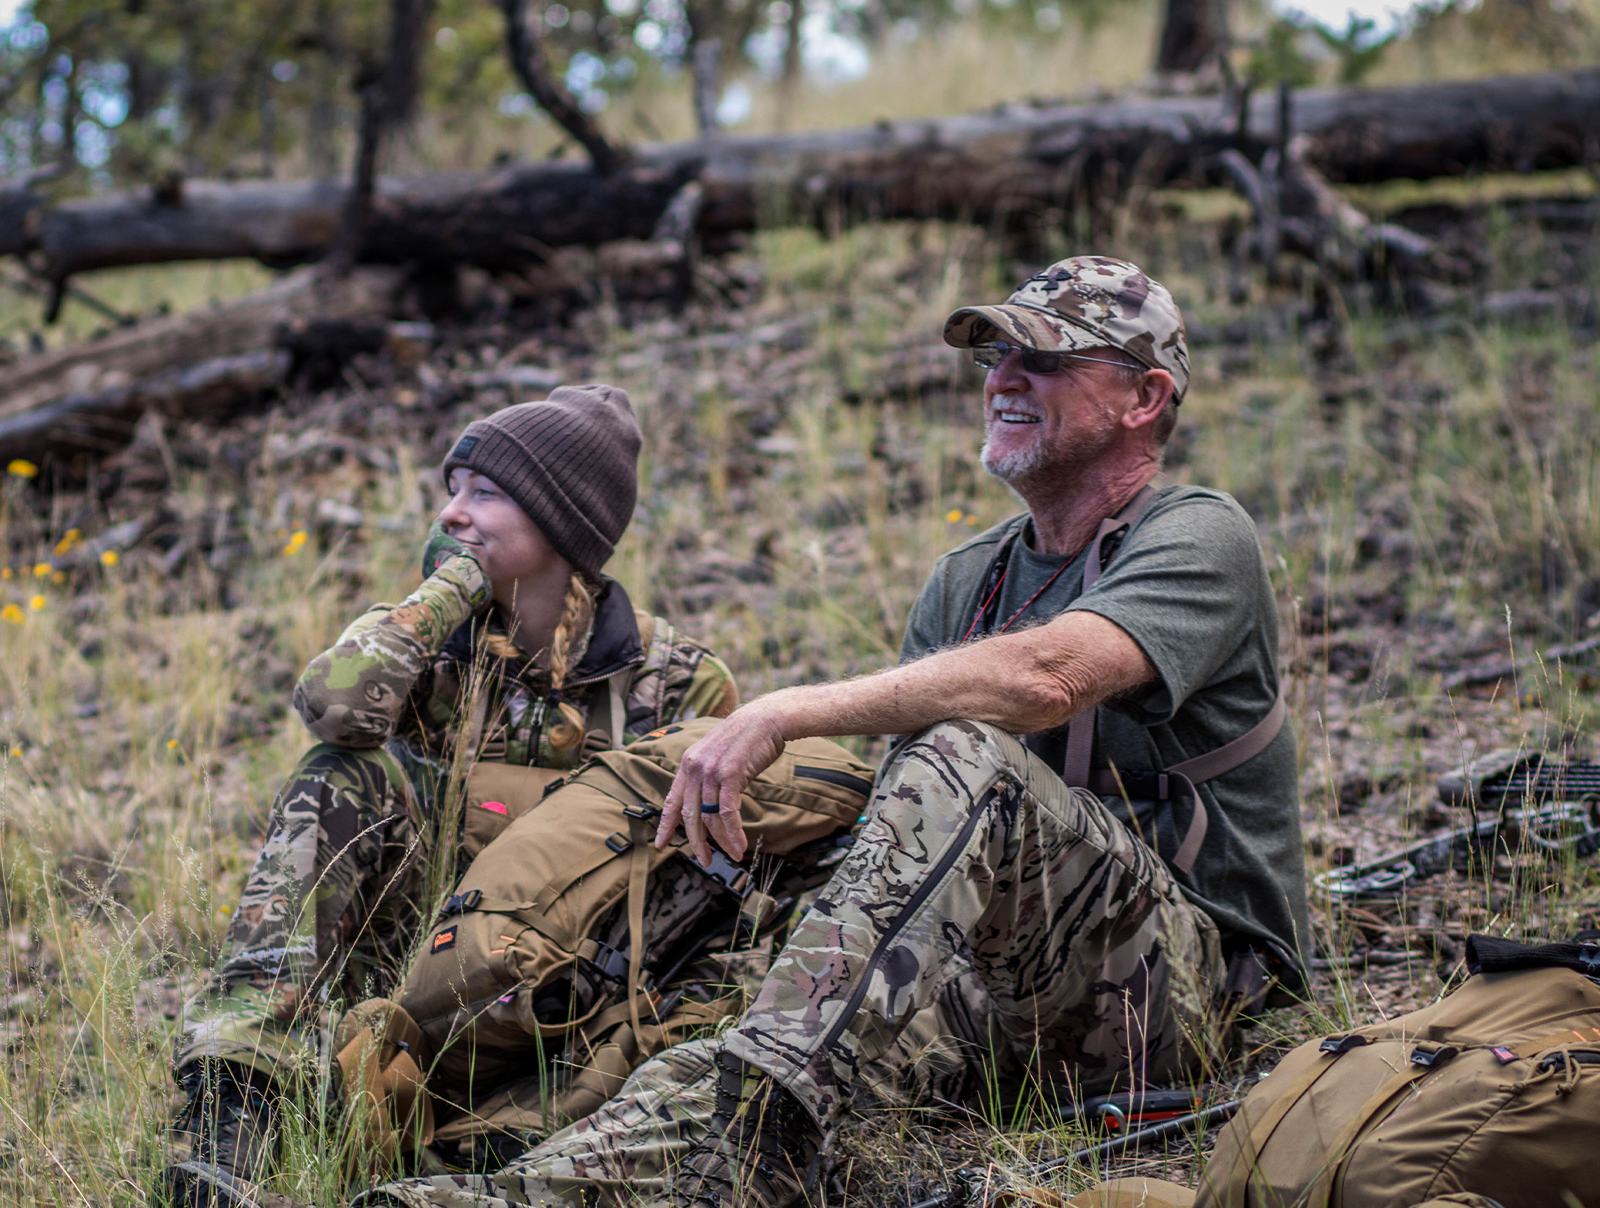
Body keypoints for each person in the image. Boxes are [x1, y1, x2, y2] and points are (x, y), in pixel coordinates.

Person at [357, 255, 1310, 1208]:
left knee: (964, 752)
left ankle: (761, 1124)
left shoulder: (1198, 534)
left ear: (1146, 397)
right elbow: (907, 842)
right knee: (726, 1045)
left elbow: (1047, 678)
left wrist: (781, 710)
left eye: (1047, 361)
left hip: (1181, 992)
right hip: (995, 997)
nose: (1005, 380)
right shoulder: (967, 578)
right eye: (995, 358)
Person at [162, 386, 740, 1207]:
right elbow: (332, 703)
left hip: (564, 993)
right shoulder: (421, 646)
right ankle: (238, 1111)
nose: (453, 512)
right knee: (344, 774)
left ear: (564, 524)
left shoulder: (676, 682)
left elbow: (707, 882)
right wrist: (446, 596)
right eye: (453, 489)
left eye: (487, 494)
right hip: (406, 972)